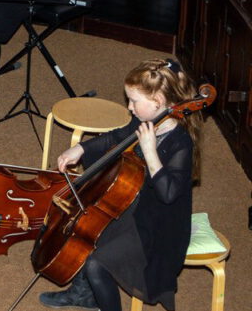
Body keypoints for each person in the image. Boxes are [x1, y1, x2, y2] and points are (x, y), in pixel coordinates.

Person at [38, 58, 202, 311]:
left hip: (158, 226)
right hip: (134, 203)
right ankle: (85, 295)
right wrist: (81, 149)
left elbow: (168, 194)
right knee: (86, 227)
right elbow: (116, 137)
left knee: (96, 264)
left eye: (134, 101)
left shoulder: (180, 142)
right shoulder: (145, 121)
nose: (129, 107)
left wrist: (150, 152)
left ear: (158, 102)